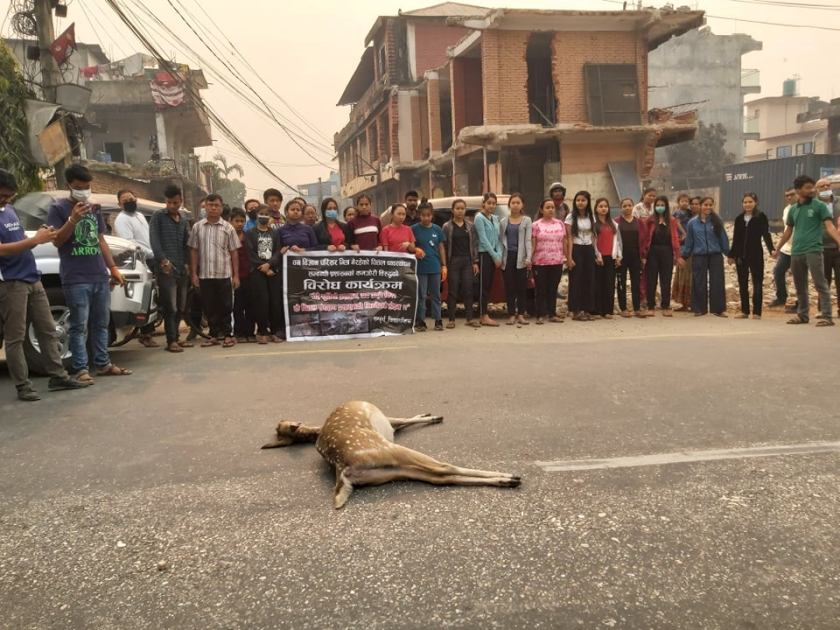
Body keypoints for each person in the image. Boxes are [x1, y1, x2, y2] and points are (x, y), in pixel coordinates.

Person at [0, 168, 90, 401]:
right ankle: (23, 385)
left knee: (48, 330)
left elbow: (19, 241)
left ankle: (57, 376)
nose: (6, 199)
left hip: (32, 276)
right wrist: (34, 240)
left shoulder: (9, 210)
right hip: (10, 282)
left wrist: (40, 235)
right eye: (3, 195)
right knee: (15, 337)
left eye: (9, 195)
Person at [46, 163, 132, 382]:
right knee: (78, 325)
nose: (84, 190)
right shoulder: (58, 208)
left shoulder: (94, 208)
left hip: (98, 275)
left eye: (87, 186)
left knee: (101, 323)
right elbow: (57, 241)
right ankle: (81, 368)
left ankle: (103, 364)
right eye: (79, 186)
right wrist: (73, 219)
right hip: (75, 277)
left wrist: (112, 268)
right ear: (69, 185)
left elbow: (100, 239)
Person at [773, 175, 840, 327]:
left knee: (820, 283)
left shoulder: (819, 206)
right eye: (808, 188)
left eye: (812, 187)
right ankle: (802, 315)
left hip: (814, 250)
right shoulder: (793, 210)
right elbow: (788, 231)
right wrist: (777, 248)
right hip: (796, 252)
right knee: (800, 284)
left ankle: (827, 316)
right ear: (798, 190)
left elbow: (830, 227)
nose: (812, 190)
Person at [188, 193, 240, 347]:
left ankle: (228, 335)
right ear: (205, 207)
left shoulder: (228, 228)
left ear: (221, 207)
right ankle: (213, 335)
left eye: (216, 205)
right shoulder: (197, 227)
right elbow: (193, 251)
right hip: (205, 274)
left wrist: (236, 275)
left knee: (226, 306)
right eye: (210, 205)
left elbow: (234, 252)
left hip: (224, 274)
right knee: (209, 306)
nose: (213, 208)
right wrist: (193, 273)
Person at [149, 184, 193, 353]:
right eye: (169, 202)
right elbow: (154, 241)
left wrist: (188, 264)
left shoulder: (182, 219)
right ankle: (171, 340)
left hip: (181, 268)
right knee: (171, 306)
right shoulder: (158, 216)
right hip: (166, 268)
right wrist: (163, 260)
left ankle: (177, 338)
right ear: (165, 202)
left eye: (175, 202)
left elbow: (185, 243)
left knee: (181, 306)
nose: (172, 206)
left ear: (180, 201)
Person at [113, 188, 158, 348]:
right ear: (119, 204)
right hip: (140, 261)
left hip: (151, 258)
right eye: (125, 200)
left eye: (131, 198)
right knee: (144, 297)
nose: (129, 201)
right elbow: (131, 243)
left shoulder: (139, 216)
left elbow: (147, 237)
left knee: (152, 296)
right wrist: (151, 253)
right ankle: (145, 334)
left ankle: (149, 330)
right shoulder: (122, 219)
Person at [728, 193, 773, 320]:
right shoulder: (739, 219)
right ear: (742, 204)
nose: (747, 204)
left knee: (757, 284)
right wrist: (731, 255)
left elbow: (766, 234)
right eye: (745, 202)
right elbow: (736, 239)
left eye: (750, 202)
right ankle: (745, 311)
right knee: (743, 284)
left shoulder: (761, 217)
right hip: (741, 257)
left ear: (756, 202)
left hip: (756, 255)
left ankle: (757, 312)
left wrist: (772, 250)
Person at [681, 197, 729, 317]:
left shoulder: (717, 221)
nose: (708, 207)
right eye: (705, 205)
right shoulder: (692, 223)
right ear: (701, 206)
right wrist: (684, 256)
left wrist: (729, 254)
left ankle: (718, 309)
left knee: (717, 282)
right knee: (698, 282)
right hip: (699, 256)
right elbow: (689, 241)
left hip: (715, 256)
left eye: (710, 205)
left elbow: (723, 239)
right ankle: (699, 309)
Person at [244, 205, 284, 343]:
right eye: (261, 213)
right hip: (257, 272)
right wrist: (263, 266)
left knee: (274, 302)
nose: (264, 216)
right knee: (262, 302)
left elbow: (278, 251)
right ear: (256, 215)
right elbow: (250, 253)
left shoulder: (275, 233)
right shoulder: (249, 233)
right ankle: (262, 331)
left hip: (273, 271)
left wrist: (270, 265)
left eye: (267, 214)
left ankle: (275, 331)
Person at [442, 198, 479, 328]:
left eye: (462, 208)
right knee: (453, 291)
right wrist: (444, 264)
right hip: (453, 261)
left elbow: (474, 244)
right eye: (457, 208)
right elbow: (444, 246)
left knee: (468, 289)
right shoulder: (447, 227)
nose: (460, 211)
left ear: (465, 210)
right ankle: (451, 319)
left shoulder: (470, 226)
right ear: (452, 210)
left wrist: (475, 262)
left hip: (467, 261)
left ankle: (470, 318)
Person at [641, 195, 680, 317]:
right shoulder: (650, 220)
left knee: (666, 280)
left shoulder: (672, 221)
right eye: (657, 205)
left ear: (666, 206)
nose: (660, 207)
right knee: (651, 280)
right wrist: (643, 254)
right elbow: (645, 237)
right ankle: (650, 306)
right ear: (654, 206)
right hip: (652, 252)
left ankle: (666, 306)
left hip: (667, 252)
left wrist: (677, 255)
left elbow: (675, 238)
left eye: (662, 205)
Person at [531, 198, 568, 324]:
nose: (551, 209)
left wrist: (566, 257)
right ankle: (540, 315)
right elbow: (533, 244)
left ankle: (552, 314)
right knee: (540, 289)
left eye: (552, 207)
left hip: (557, 261)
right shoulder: (535, 225)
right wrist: (529, 259)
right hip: (540, 262)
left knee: (553, 289)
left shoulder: (560, 224)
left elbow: (564, 241)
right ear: (541, 209)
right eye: (547, 207)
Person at [499, 193, 533, 326]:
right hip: (508, 257)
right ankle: (511, 314)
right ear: (509, 205)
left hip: (522, 257)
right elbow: (501, 241)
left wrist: (529, 257)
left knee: (521, 287)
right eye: (513, 203)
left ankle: (521, 315)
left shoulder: (527, 220)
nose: (515, 205)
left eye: (518, 202)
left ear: (522, 205)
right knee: (510, 287)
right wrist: (500, 257)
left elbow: (528, 240)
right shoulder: (503, 221)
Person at [412, 203, 446, 331]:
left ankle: (438, 320)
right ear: (419, 216)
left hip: (435, 267)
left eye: (428, 215)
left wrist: (444, 265)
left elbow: (441, 247)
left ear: (432, 216)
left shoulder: (437, 229)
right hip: (420, 268)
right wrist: (416, 250)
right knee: (421, 295)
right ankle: (420, 321)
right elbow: (411, 246)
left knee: (436, 295)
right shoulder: (414, 229)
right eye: (423, 215)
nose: (426, 218)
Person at [565, 191, 596, 321]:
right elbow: (569, 238)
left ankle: (587, 309)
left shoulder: (591, 217)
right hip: (576, 249)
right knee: (576, 280)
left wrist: (596, 254)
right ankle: (575, 310)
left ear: (588, 201)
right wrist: (569, 257)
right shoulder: (570, 217)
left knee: (588, 279)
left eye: (583, 200)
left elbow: (594, 236)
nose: (580, 203)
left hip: (589, 249)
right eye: (578, 200)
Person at [474, 192, 503, 326]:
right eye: (489, 203)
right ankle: (482, 315)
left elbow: (498, 238)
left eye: (493, 203)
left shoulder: (495, 219)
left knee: (490, 285)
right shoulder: (479, 218)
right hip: (484, 254)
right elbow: (483, 239)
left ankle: (484, 312)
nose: (491, 206)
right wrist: (494, 255)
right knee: (483, 286)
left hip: (494, 255)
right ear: (483, 203)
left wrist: (499, 255)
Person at [592, 197, 622, 319]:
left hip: (611, 257)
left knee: (609, 284)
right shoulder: (593, 224)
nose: (603, 208)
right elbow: (592, 241)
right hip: (598, 258)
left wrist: (619, 256)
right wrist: (596, 255)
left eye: (605, 206)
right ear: (596, 209)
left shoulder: (614, 224)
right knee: (597, 284)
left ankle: (608, 311)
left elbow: (618, 242)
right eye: (601, 206)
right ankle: (597, 310)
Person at [768, 188, 797, 309]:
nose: (789, 197)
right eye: (787, 195)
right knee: (778, 271)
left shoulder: (802, 209)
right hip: (787, 248)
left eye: (792, 195)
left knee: (799, 275)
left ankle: (800, 303)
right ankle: (781, 297)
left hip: (799, 248)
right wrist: (779, 248)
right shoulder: (786, 210)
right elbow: (787, 230)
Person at [616, 198, 645, 318]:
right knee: (621, 282)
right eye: (624, 206)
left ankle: (637, 308)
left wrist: (643, 256)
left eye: (629, 205)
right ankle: (623, 308)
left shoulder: (639, 222)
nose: (627, 208)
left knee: (636, 283)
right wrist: (617, 256)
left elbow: (643, 240)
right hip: (622, 257)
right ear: (621, 208)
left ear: (633, 206)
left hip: (635, 256)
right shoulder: (616, 222)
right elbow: (615, 241)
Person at [229, 208, 255, 342]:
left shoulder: (249, 236)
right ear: (230, 221)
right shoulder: (227, 236)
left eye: (242, 221)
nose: (239, 224)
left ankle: (250, 332)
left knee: (250, 305)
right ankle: (239, 333)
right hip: (234, 276)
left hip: (249, 275)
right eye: (236, 221)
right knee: (237, 306)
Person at [816, 178, 840, 318]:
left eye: (827, 185)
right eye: (822, 186)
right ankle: (822, 309)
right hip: (821, 247)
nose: (825, 188)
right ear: (817, 189)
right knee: (823, 280)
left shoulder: (839, 201)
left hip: (838, 247)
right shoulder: (814, 205)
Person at [672, 195, 700, 311]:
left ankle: (693, 302)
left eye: (696, 204)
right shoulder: (682, 214)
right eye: (692, 203)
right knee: (683, 273)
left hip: (697, 250)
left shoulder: (702, 218)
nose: (693, 206)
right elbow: (675, 225)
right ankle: (684, 303)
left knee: (692, 275)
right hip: (683, 248)